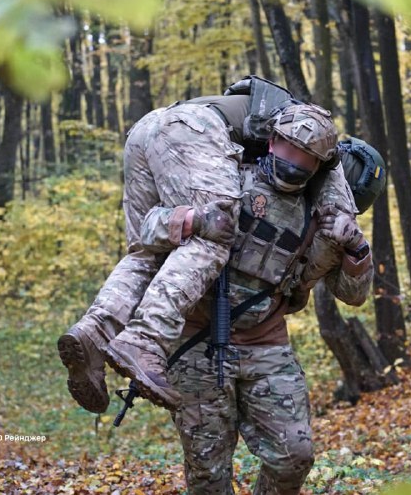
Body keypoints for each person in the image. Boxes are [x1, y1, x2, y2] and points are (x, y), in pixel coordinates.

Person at [58, 78, 359, 413]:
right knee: (216, 229)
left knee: (148, 255)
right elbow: (342, 213)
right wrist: (345, 228)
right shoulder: (323, 145)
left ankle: (92, 333)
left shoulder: (274, 112)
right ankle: (146, 340)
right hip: (191, 130)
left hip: (148, 130)